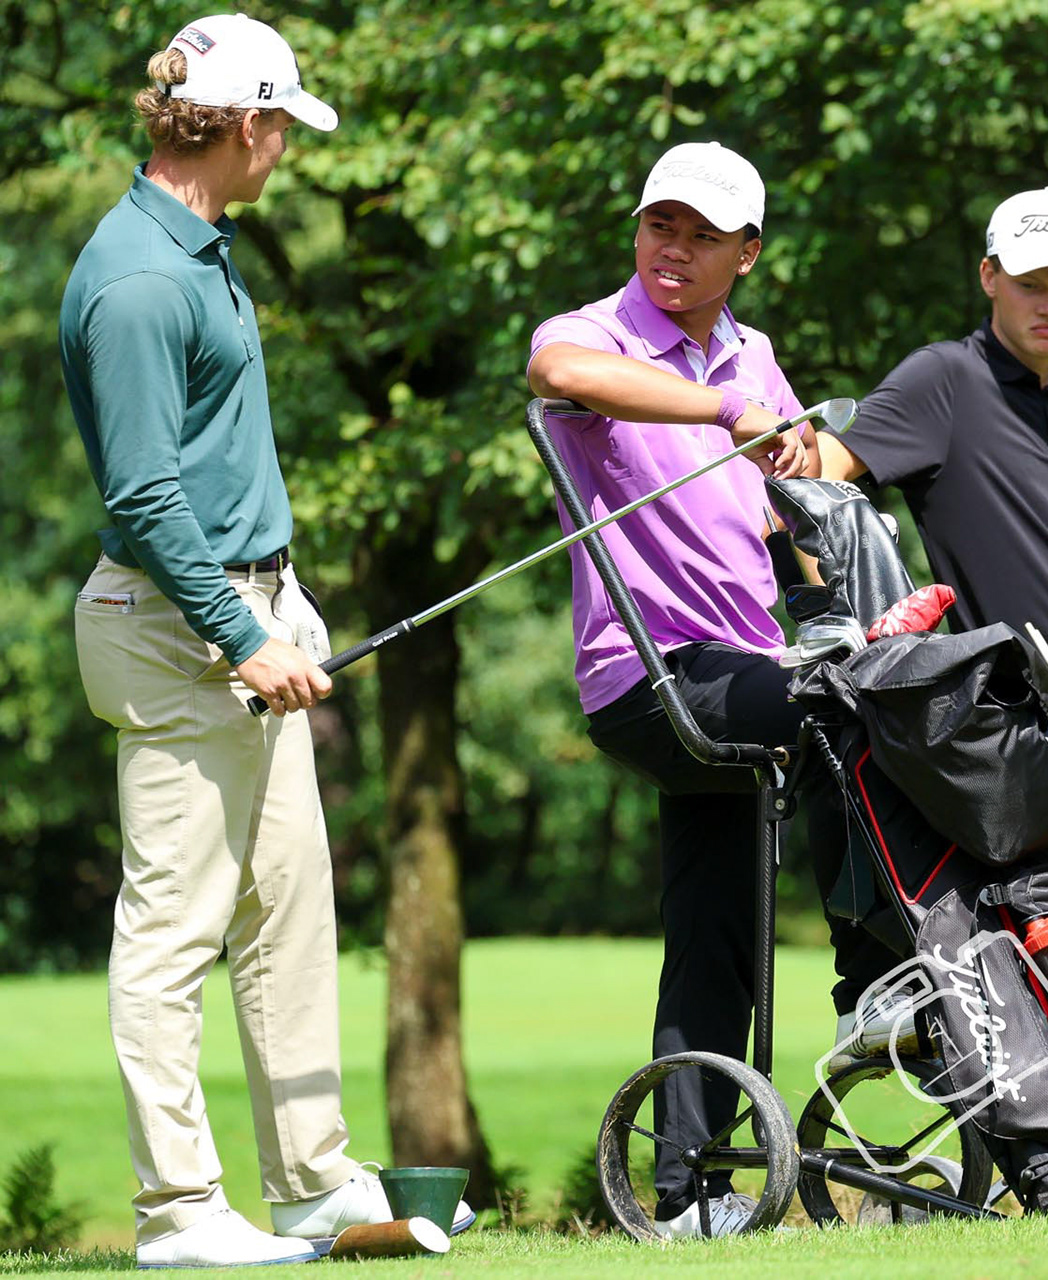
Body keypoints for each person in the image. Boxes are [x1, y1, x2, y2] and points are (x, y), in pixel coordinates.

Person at [60, 15, 466, 1268]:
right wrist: (244, 631)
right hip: (176, 630)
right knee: (175, 926)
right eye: (282, 124)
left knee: (287, 908)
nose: (286, 146)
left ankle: (311, 1183)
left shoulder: (202, 247)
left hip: (246, 610)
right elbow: (143, 496)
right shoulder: (139, 281)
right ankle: (179, 1210)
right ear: (246, 125)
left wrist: (281, 602)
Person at [527, 140, 894, 1238]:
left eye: (702, 235)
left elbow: (795, 497)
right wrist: (722, 412)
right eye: (660, 225)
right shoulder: (594, 331)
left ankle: (690, 1189)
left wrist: (814, 499)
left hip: (748, 667)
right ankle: (874, 986)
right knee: (846, 715)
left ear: (748, 252)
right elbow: (560, 377)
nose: (674, 249)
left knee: (715, 930)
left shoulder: (752, 352)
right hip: (651, 674)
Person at [816, 187, 1048, 780]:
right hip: (1036, 723)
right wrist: (854, 624)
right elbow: (815, 475)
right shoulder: (944, 379)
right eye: (1030, 285)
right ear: (989, 277)